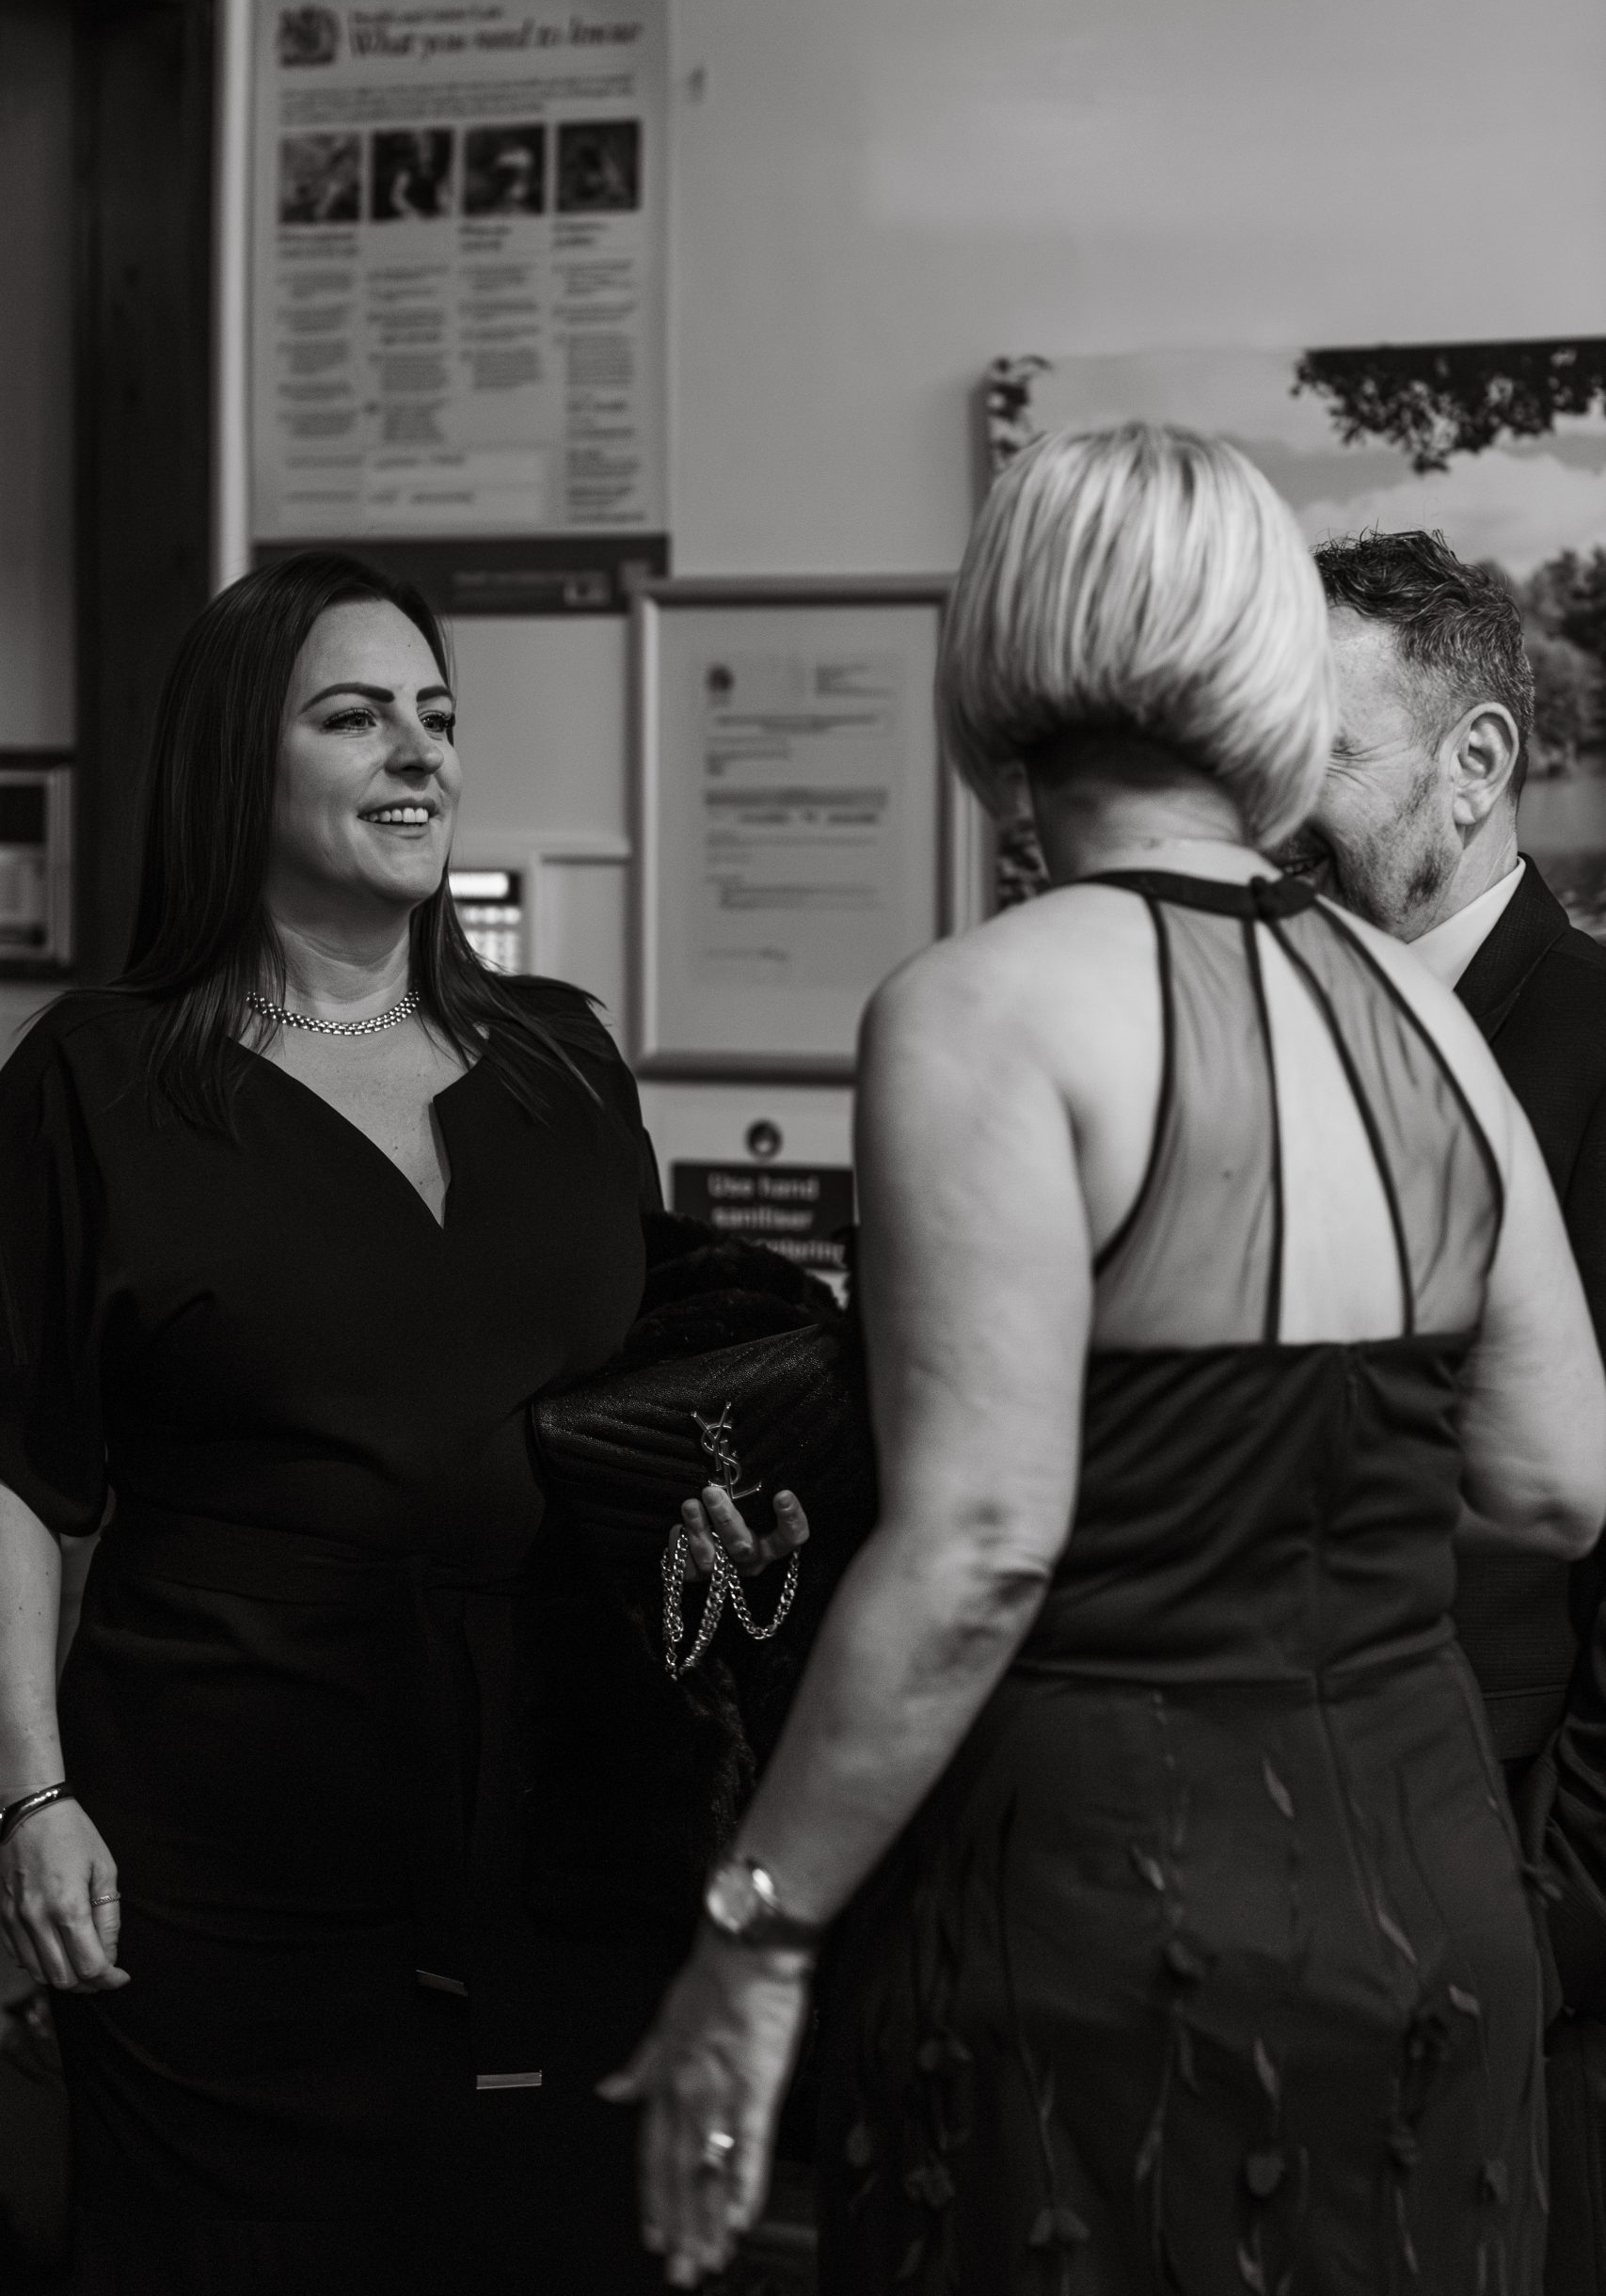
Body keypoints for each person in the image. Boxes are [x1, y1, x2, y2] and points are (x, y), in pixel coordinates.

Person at [604, 425, 1606, 2291]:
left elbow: (980, 1545)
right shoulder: (1431, 1028)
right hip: (1431, 1907)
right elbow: (1554, 1482)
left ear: (996, 648)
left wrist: (754, 1929)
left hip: (1112, 1912)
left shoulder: (979, 1008)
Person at [0, 550, 805, 2296]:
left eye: (436, 717)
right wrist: (29, 1793)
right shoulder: (98, 1079)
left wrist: (716, 1524)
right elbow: (15, 1469)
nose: (418, 754)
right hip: (224, 1850)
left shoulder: (564, 1060)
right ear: (239, 760)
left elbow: (638, 1416)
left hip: (567, 1833)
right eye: (356, 719)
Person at [1280, 527, 1606, 2295]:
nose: (1266, 813)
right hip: (1257, 1936)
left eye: (1316, 753)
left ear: (1475, 762)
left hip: (1519, 1959)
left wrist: (1543, 1938)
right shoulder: (1252, 1037)